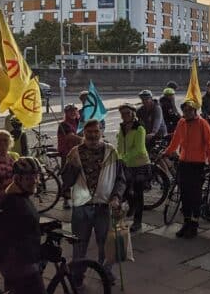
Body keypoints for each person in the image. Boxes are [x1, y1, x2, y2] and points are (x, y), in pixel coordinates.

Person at [63, 119, 126, 282]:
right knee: (79, 243)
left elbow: (120, 179)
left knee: (106, 243)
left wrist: (116, 197)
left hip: (104, 206)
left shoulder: (111, 152)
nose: (93, 135)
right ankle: (77, 274)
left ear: (101, 132)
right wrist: (73, 167)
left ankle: (105, 272)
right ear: (83, 133)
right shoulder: (74, 152)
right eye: (89, 132)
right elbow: (67, 182)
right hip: (81, 207)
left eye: (96, 131)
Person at [0, 157, 51, 294]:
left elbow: (23, 228)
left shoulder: (15, 197)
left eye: (36, 176)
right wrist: (42, 251)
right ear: (17, 179)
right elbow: (20, 239)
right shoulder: (16, 203)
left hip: (9, 263)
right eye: (29, 178)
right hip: (21, 265)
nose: (34, 181)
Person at [160, 100, 210, 238]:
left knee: (195, 195)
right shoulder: (182, 122)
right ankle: (186, 223)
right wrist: (167, 152)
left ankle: (194, 225)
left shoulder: (202, 123)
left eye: (190, 110)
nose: (187, 113)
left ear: (195, 111)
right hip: (184, 162)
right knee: (184, 195)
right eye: (185, 110)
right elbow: (176, 139)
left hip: (197, 164)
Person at [116, 104, 150, 233]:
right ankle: (133, 207)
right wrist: (117, 157)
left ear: (133, 114)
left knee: (138, 193)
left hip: (140, 165)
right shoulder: (122, 127)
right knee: (124, 190)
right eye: (123, 113)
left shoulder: (139, 128)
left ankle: (137, 222)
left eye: (127, 113)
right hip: (126, 164)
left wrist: (123, 158)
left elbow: (139, 149)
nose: (125, 115)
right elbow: (120, 145)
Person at [58, 104, 82, 209]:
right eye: (70, 111)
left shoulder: (79, 122)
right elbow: (70, 136)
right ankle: (66, 200)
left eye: (74, 110)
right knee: (67, 176)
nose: (73, 113)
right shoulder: (63, 125)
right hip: (67, 153)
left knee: (80, 176)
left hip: (79, 152)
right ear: (66, 113)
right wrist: (83, 139)